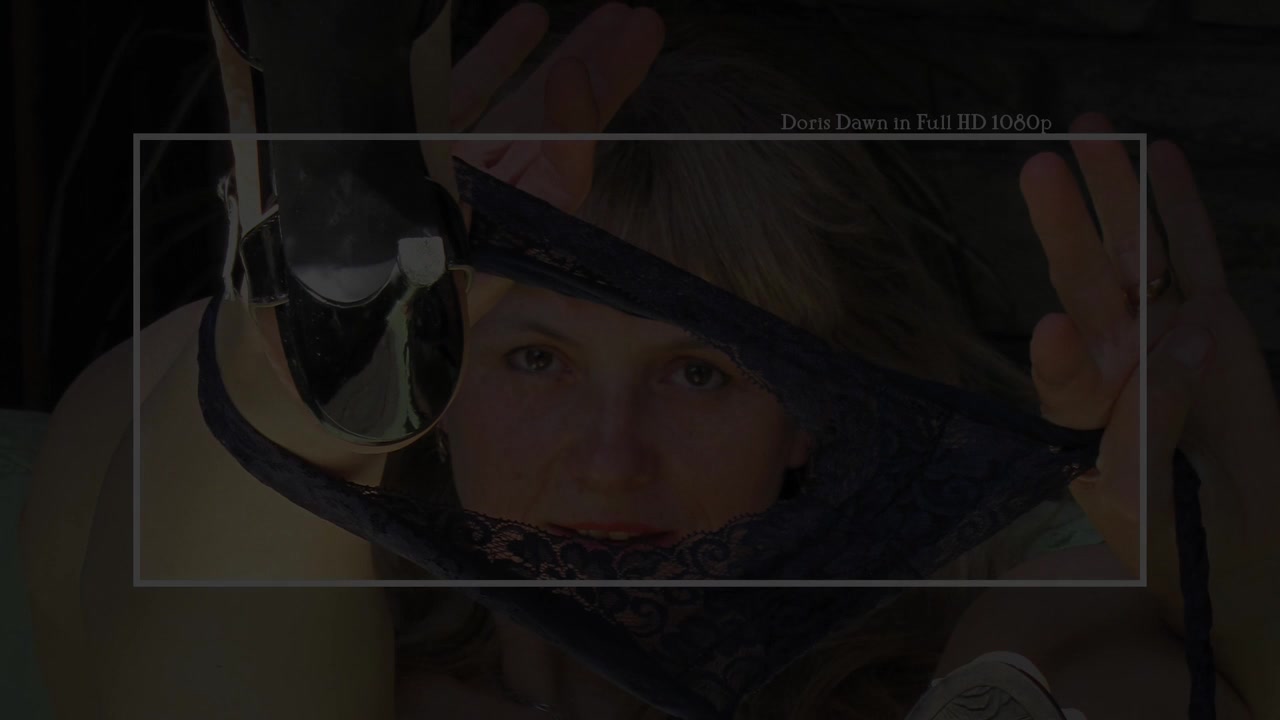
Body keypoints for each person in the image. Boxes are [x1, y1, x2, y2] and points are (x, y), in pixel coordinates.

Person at [20, 3, 1277, 719]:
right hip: (288, 620)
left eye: (698, 374)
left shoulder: (970, 597)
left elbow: (1107, 632)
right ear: (440, 404)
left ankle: (309, 358)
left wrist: (1236, 560)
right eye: (534, 360)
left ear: (808, 414)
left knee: (1065, 628)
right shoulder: (342, 624)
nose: (609, 462)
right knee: (170, 485)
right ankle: (303, 364)